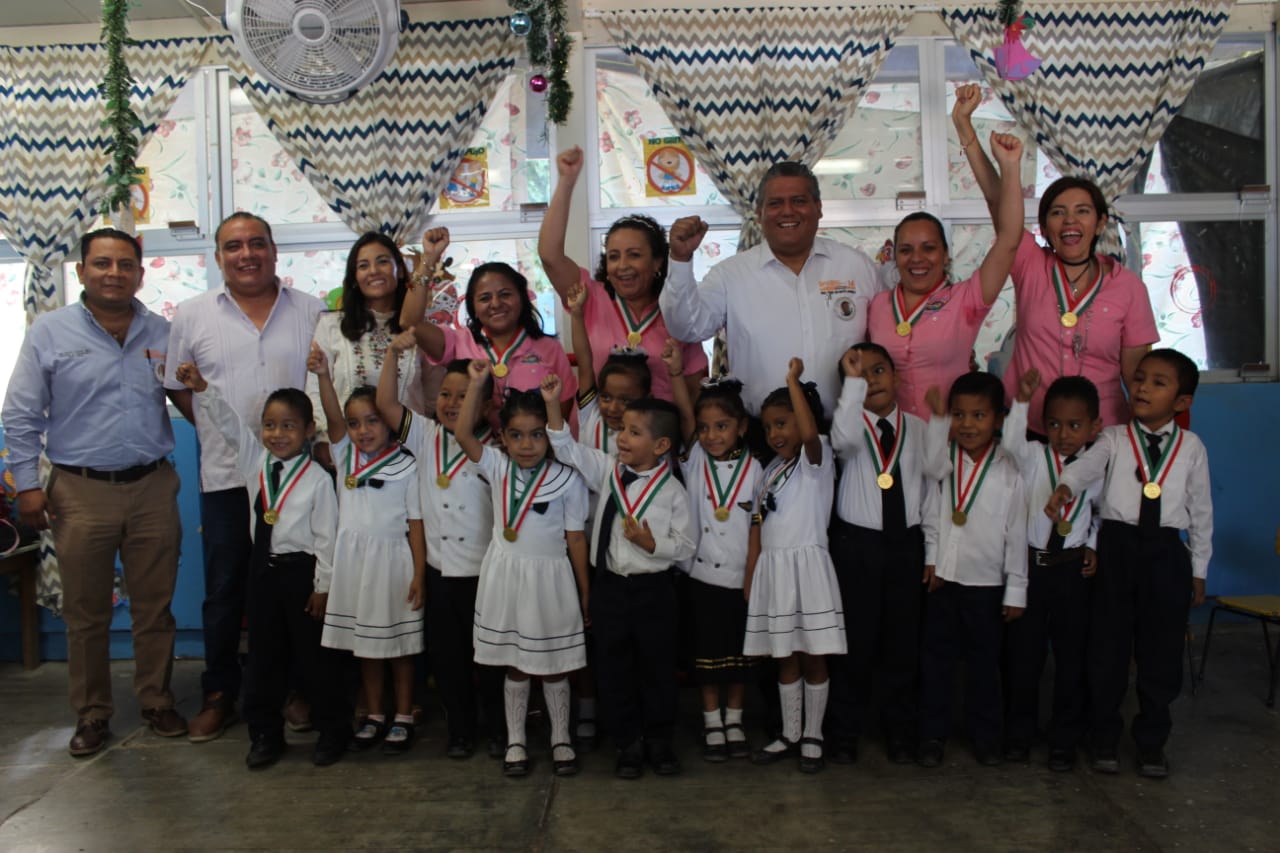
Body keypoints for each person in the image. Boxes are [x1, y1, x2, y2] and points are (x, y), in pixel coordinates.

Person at [2, 228, 186, 757]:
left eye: (125, 264)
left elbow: (188, 390)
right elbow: (19, 415)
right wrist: (28, 487)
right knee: (87, 615)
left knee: (156, 608)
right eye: (102, 264)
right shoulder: (50, 332)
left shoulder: (162, 330)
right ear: (81, 271)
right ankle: (92, 714)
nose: (114, 273)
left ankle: (156, 700)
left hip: (152, 484)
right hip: (79, 491)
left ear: (140, 274)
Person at [164, 212, 324, 742]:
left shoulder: (311, 310)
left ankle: (300, 688)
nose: (247, 254)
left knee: (299, 584)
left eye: (257, 243)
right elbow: (179, 386)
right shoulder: (190, 315)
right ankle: (220, 693)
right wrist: (221, 433)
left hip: (300, 480)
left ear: (275, 251)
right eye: (234, 246)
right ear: (218, 257)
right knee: (228, 586)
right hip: (229, 476)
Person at [953, 83, 1159, 435]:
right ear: (1046, 227)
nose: (1070, 221)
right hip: (1033, 429)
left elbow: (1136, 375)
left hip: (1103, 432)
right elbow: (996, 200)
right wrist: (970, 132)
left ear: (1100, 223)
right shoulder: (1031, 264)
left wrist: (1147, 442)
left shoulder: (1128, 288)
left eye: (1082, 211)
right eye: (1058, 213)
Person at [174, 364, 351, 769]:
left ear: (309, 431)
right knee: (263, 658)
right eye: (270, 425)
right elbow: (229, 425)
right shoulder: (256, 464)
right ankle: (265, 734)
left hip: (303, 575)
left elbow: (326, 538)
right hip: (263, 574)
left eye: (288, 426)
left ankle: (332, 731)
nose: (277, 434)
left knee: (315, 660)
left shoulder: (318, 480)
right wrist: (203, 388)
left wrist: (322, 586)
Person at [1046, 348, 1212, 779]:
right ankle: (1103, 736)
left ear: (1182, 402)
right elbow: (1086, 469)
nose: (1142, 387)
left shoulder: (1192, 448)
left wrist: (1198, 569)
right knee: (1108, 648)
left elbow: (1202, 511)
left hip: (1166, 553)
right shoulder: (1115, 439)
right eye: (1140, 378)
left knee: (1161, 652)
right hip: (1117, 550)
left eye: (1159, 382)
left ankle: (1152, 742)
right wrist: (1065, 487)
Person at [544, 374, 696, 780]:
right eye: (622, 431)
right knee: (614, 669)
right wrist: (552, 404)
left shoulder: (673, 492)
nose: (622, 438)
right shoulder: (609, 471)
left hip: (654, 591)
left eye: (633, 432)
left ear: (661, 445)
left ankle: (659, 742)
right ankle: (627, 743)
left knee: (657, 668)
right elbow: (566, 448)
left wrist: (652, 545)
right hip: (611, 588)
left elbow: (686, 547)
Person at [661, 161, 884, 416]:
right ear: (759, 213)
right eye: (775, 204)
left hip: (851, 434)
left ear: (818, 208)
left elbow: (885, 345)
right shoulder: (730, 275)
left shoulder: (857, 267)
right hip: (765, 439)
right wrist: (680, 260)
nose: (787, 211)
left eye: (799, 201)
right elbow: (687, 328)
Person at [455, 363, 591, 779]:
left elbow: (576, 540)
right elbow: (462, 434)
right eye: (516, 435)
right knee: (515, 663)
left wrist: (584, 592)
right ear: (502, 438)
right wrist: (477, 384)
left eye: (536, 434)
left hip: (550, 580)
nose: (527, 444)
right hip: (507, 578)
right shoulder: (496, 466)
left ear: (548, 436)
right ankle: (516, 740)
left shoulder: (567, 479)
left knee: (554, 664)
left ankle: (560, 738)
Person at [377, 339, 505, 760]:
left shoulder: (497, 450)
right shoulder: (426, 435)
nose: (452, 402)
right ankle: (461, 730)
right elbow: (385, 403)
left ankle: (500, 729)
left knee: (489, 658)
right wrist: (394, 356)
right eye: (446, 394)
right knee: (448, 659)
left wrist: (480, 382)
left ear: (486, 406)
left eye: (465, 395)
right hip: (440, 572)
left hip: (485, 573)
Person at [826, 343, 938, 766]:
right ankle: (844, 732)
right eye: (859, 373)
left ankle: (900, 730)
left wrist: (930, 550)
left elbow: (930, 491)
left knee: (901, 644)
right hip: (857, 548)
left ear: (896, 376)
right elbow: (841, 441)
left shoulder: (919, 428)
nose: (871, 379)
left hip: (905, 547)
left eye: (877, 371)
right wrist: (852, 386)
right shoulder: (850, 427)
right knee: (854, 643)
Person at [310, 352, 425, 756]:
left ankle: (404, 714)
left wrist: (419, 575)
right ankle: (375, 714)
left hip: (394, 566)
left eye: (372, 420)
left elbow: (415, 525)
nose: (362, 430)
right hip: (355, 567)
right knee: (368, 650)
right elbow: (331, 416)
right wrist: (324, 373)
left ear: (389, 422)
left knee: (400, 649)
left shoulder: (408, 465)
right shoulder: (345, 457)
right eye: (355, 423)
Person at [867, 132, 1027, 418]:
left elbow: (1010, 239)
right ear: (895, 257)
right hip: (894, 443)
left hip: (952, 442)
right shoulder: (877, 305)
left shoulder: (966, 299)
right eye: (906, 250)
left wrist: (1011, 167)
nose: (917, 258)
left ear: (945, 255)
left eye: (928, 248)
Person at [917, 373, 1027, 768]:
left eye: (979, 415)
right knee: (936, 664)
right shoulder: (945, 461)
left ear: (998, 419)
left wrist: (1016, 589)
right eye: (959, 415)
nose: (967, 424)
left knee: (984, 668)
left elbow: (1017, 533)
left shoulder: (1010, 470)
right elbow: (932, 512)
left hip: (987, 585)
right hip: (944, 581)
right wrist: (937, 419)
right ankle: (932, 735)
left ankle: (986, 737)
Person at [539, 146, 708, 402]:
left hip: (660, 435)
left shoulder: (678, 311)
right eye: (614, 256)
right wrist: (566, 181)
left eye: (634, 255)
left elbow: (696, 392)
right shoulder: (590, 297)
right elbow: (550, 256)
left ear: (657, 262)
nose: (622, 265)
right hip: (598, 434)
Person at [744, 359, 846, 774]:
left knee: (812, 656)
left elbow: (808, 434)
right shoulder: (768, 471)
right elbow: (757, 525)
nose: (775, 434)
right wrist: (751, 574)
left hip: (808, 569)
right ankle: (789, 732)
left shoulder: (814, 464)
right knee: (784, 656)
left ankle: (813, 734)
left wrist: (791, 382)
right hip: (775, 571)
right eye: (768, 427)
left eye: (782, 423)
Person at [1002, 370, 1104, 772]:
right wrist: (1023, 400)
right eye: (1056, 424)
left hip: (1071, 573)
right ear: (1044, 426)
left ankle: (1064, 738)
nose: (1064, 434)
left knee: (1070, 658)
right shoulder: (1031, 456)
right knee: (1023, 659)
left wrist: (1092, 546)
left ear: (1094, 426)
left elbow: (1097, 514)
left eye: (1075, 425)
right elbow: (1009, 443)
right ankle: (1019, 735)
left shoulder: (1096, 467)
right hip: (1033, 569)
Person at [400, 228, 576, 427]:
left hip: (531, 453)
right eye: (485, 298)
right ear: (473, 308)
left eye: (505, 294)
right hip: (470, 454)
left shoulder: (549, 348)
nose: (495, 303)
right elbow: (409, 322)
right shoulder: (457, 342)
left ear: (522, 298)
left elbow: (563, 411)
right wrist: (429, 260)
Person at [679, 378, 761, 762]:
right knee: (707, 658)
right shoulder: (695, 460)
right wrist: (678, 375)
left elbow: (760, 529)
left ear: (742, 427)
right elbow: (683, 410)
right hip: (702, 578)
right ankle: (711, 720)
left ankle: (735, 720)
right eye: (705, 427)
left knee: (739, 660)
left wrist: (752, 575)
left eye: (722, 426)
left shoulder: (758, 470)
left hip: (742, 580)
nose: (712, 435)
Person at [306, 232, 424, 467]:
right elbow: (315, 390)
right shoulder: (331, 326)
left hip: (410, 455)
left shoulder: (418, 329)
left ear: (399, 270)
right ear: (354, 277)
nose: (373, 271)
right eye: (363, 265)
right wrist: (324, 441)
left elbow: (430, 398)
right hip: (347, 456)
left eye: (382, 261)